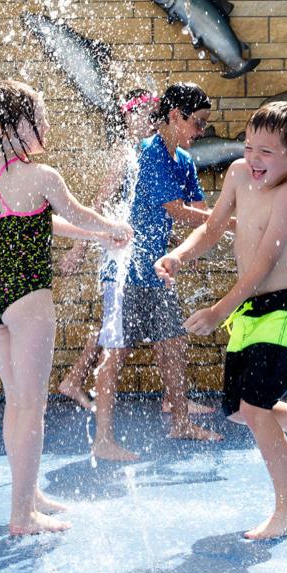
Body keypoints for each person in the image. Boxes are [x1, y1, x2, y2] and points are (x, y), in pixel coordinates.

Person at [155, 101, 287, 540]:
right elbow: (215, 226)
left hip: (280, 309)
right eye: (248, 146)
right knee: (240, 410)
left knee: (257, 408)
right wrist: (179, 256)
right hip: (248, 310)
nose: (253, 158)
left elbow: (262, 266)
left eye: (266, 152)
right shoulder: (239, 174)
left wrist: (217, 311)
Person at [0, 79, 132, 536]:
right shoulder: (43, 176)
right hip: (28, 296)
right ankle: (22, 515)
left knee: (16, 402)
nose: (46, 123)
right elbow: (77, 211)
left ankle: (28, 492)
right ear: (12, 125)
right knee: (33, 407)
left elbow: (43, 223)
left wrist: (98, 236)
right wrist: (113, 226)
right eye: (37, 116)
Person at [91, 83, 223, 462]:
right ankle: (103, 439)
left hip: (155, 269)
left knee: (172, 344)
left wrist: (199, 243)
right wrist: (229, 222)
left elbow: (198, 207)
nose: (200, 131)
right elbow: (178, 210)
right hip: (124, 268)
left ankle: (181, 421)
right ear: (174, 116)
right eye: (196, 123)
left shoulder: (183, 159)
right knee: (115, 353)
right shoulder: (148, 154)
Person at [56, 89, 158, 409]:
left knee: (121, 321)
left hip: (128, 251)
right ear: (128, 115)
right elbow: (97, 205)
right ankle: (74, 381)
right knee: (116, 323)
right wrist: (78, 249)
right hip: (117, 253)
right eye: (144, 113)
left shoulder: (143, 153)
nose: (152, 121)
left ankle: (75, 380)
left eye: (154, 114)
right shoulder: (123, 153)